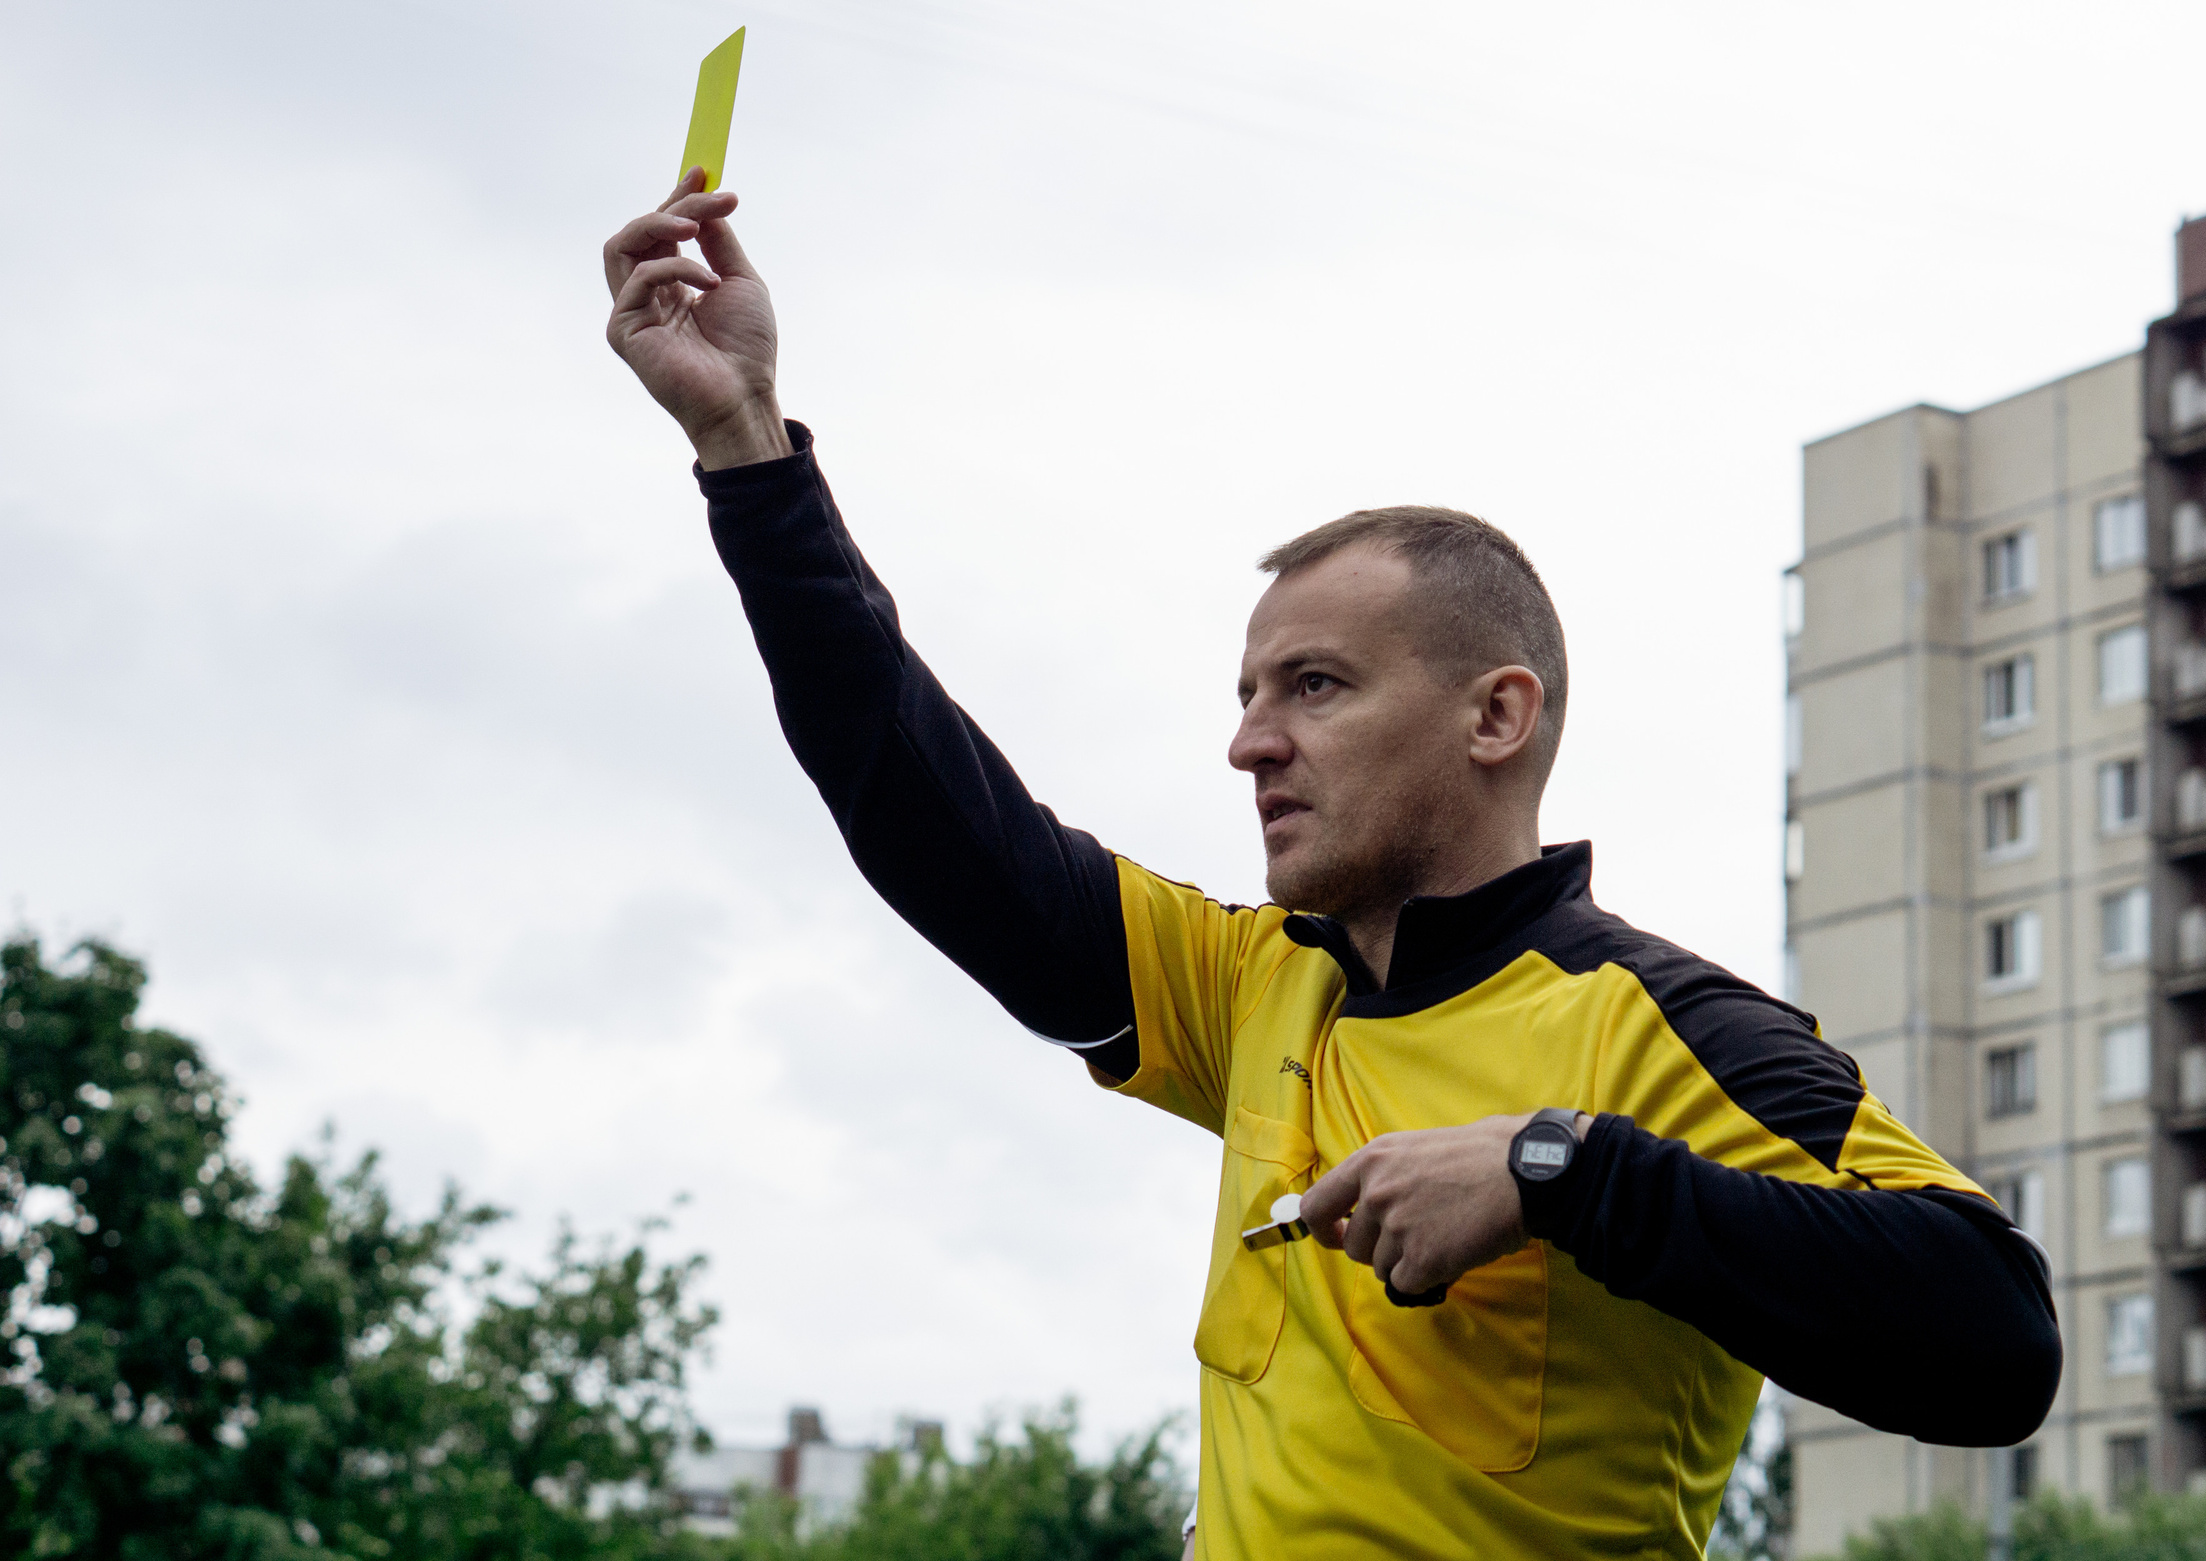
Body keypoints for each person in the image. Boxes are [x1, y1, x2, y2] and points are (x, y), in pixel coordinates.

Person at [603, 169, 2061, 1560]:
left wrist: (1558, 1169)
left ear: (1497, 715)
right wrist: (745, 448)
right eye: (1246, 696)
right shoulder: (1251, 985)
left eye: (1312, 687)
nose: (1249, 745)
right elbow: (925, 811)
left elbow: (1998, 1335)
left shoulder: (1659, 1026)